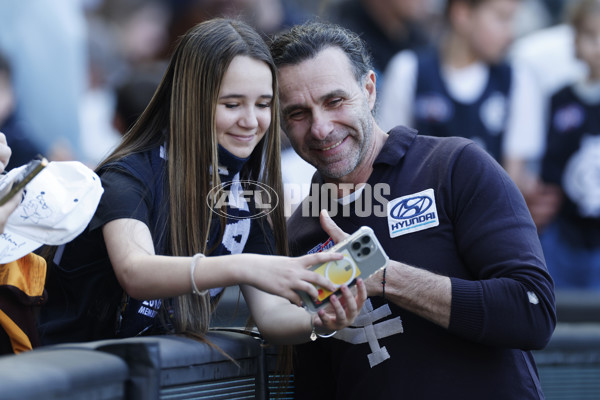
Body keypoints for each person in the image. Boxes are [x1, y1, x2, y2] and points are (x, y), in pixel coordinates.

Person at [269, 21, 556, 399]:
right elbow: (316, 381)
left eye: (334, 101)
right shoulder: (299, 234)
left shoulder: (453, 167)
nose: (320, 128)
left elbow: (531, 313)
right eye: (298, 114)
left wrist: (385, 277)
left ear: (369, 89)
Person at [37, 18, 365, 346]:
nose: (251, 121)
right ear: (190, 99)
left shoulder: (248, 194)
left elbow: (270, 316)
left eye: (263, 104)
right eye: (232, 104)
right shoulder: (128, 175)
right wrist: (245, 266)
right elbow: (135, 271)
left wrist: (321, 319)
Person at [377, 0, 545, 188]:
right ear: (462, 14)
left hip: (490, 212)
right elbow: (388, 161)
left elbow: (514, 185)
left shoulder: (518, 79)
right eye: (502, 18)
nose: (511, 34)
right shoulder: (408, 69)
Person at [538, 0, 600, 289]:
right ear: (575, 39)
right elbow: (549, 166)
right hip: (565, 233)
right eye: (591, 36)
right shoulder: (560, 99)